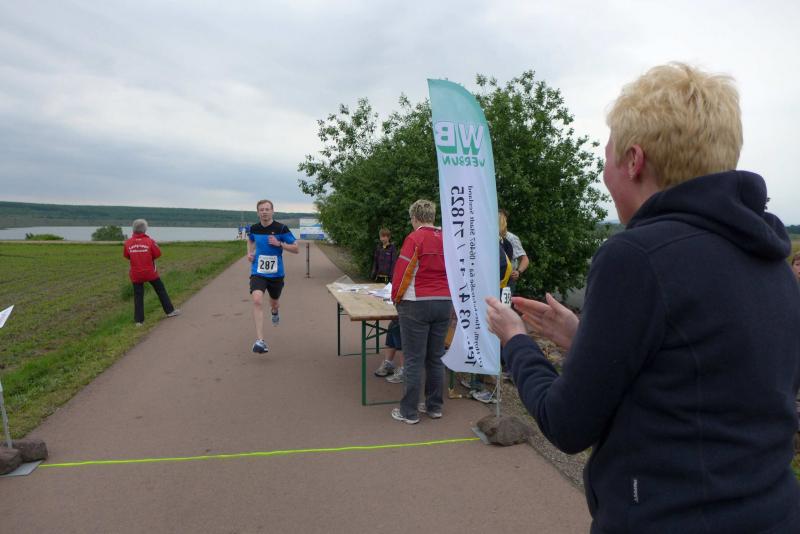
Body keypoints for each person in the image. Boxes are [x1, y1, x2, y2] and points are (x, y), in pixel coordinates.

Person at [485, 63, 800, 533]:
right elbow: (703, 380)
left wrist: (515, 341)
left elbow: (567, 424)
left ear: (634, 161)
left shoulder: (636, 257)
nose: (605, 174)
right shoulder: (771, 258)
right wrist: (586, 339)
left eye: (607, 157)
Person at [390, 199, 452, 424]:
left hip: (416, 302)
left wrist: (396, 298)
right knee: (436, 357)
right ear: (432, 217)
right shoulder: (448, 238)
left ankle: (409, 412)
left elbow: (402, 272)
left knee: (414, 359)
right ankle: (434, 407)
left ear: (415, 218)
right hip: (444, 301)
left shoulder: (414, 238)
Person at [247, 199, 299, 353]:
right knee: (257, 300)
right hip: (258, 272)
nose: (264, 212)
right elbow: (250, 240)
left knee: (274, 303)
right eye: (261, 210)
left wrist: (279, 244)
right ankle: (260, 341)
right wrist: (249, 253)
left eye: (267, 209)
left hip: (276, 274)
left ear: (272, 211)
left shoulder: (281, 228)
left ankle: (275, 312)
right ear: (258, 213)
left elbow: (296, 248)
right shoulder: (254, 228)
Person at [123, 219, 180, 326]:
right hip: (150, 272)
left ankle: (139, 321)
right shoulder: (150, 241)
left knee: (138, 296)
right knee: (160, 290)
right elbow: (158, 253)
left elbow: (126, 255)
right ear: (144, 229)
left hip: (136, 274)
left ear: (134, 229)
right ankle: (170, 311)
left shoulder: (128, 242)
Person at [499, 209, 529, 294]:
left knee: (503, 302)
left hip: (508, 281)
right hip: (493, 279)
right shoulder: (488, 235)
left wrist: (518, 272)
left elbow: (525, 259)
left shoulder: (511, 238)